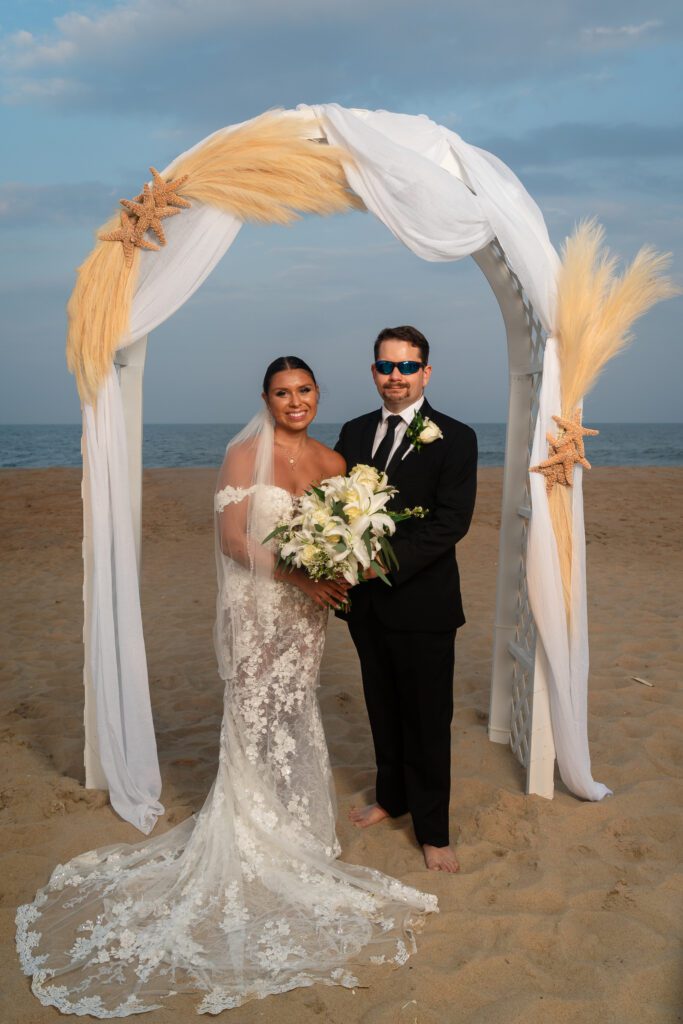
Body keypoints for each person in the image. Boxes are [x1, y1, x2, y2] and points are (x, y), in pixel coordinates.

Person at [16, 356, 437, 1018]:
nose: (293, 401)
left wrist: (342, 571)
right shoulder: (245, 454)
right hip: (259, 602)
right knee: (251, 709)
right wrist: (300, 578)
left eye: (303, 391)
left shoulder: (334, 464)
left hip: (307, 614)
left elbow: (354, 535)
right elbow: (234, 540)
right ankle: (246, 824)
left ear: (316, 395)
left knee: (292, 709)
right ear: (265, 398)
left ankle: (294, 824)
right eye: (281, 392)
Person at [335, 327, 477, 874]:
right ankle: (391, 798)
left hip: (424, 605)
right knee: (382, 704)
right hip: (366, 607)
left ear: (426, 372)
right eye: (386, 366)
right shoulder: (352, 432)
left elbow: (450, 523)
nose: (396, 376)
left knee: (426, 717)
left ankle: (433, 831)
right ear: (374, 371)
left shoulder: (456, 437)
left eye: (406, 366)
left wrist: (380, 564)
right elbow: (339, 504)